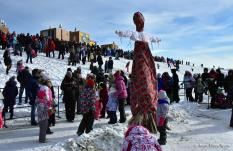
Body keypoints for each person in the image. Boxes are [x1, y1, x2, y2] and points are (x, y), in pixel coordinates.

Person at [115, 12, 160, 133]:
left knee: (144, 79)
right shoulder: (142, 35)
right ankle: (146, 119)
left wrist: (120, 33)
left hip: (142, 59)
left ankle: (145, 120)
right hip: (143, 59)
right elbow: (152, 38)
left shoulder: (140, 35)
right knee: (144, 79)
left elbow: (128, 33)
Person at [36, 77, 53, 143]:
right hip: (44, 108)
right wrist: (50, 107)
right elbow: (48, 99)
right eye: (49, 82)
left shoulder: (41, 88)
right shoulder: (46, 89)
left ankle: (42, 138)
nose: (50, 83)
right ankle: (42, 139)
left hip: (40, 107)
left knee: (42, 124)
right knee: (44, 125)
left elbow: (37, 98)